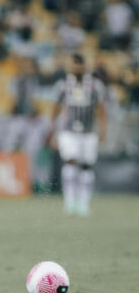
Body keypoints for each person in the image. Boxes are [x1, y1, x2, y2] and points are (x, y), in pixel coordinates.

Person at [48, 53, 107, 217]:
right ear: (71, 66)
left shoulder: (95, 85)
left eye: (80, 65)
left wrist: (103, 130)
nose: (77, 68)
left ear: (84, 66)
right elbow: (55, 108)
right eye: (74, 65)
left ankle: (83, 203)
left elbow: (101, 109)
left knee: (87, 166)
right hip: (69, 131)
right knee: (70, 162)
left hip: (88, 132)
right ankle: (69, 202)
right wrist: (52, 131)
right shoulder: (63, 85)